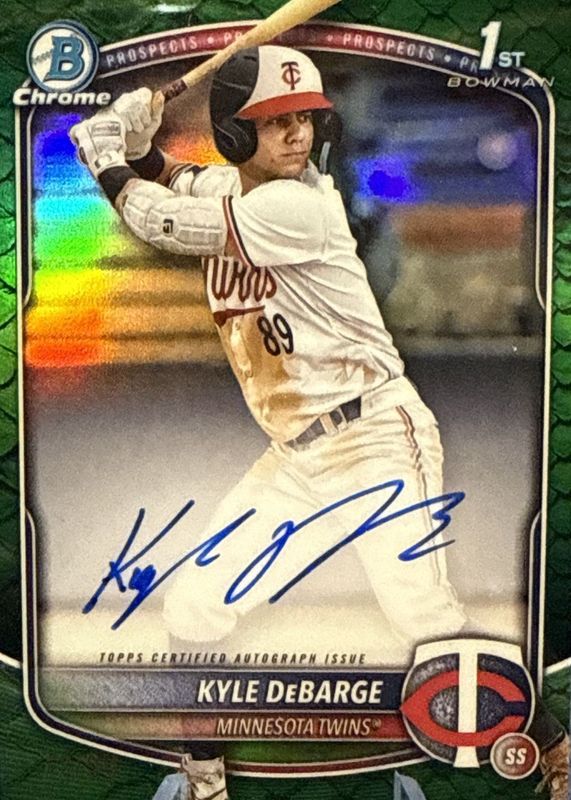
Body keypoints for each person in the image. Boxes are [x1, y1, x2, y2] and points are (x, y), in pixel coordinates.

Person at [70, 45, 568, 800]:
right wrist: (137, 141)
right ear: (236, 134)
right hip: (295, 458)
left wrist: (104, 155)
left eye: (304, 118)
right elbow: (172, 181)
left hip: (374, 437)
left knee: (424, 621)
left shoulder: (298, 205)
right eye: (275, 122)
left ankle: (556, 751)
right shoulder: (233, 188)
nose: (297, 134)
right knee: (195, 605)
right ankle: (204, 782)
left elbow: (163, 220)